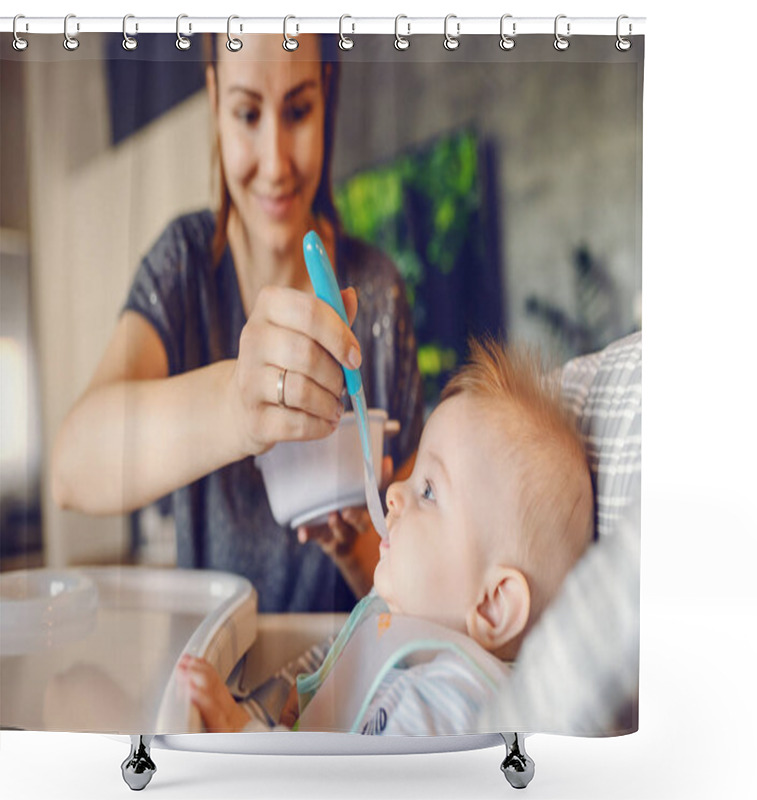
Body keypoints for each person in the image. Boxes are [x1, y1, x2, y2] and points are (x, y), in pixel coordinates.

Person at [50, 34, 423, 612]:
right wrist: (236, 405)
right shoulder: (184, 266)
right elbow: (71, 469)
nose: (275, 164)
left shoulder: (378, 292)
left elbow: (423, 591)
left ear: (327, 93)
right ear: (214, 97)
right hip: (214, 677)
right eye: (248, 113)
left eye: (298, 110)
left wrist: (355, 547)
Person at [178, 338, 595, 735]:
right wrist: (300, 721)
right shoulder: (403, 653)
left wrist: (246, 735)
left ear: (493, 605)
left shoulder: (449, 702)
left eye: (428, 490)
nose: (394, 492)